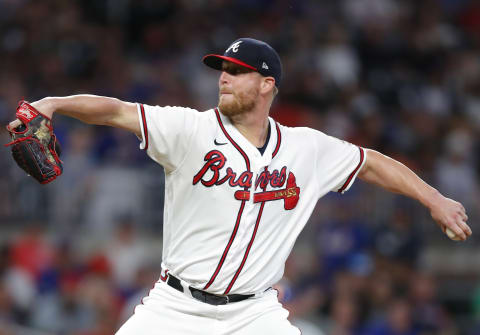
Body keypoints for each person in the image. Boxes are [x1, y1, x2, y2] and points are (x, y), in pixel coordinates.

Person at [7, 38, 471, 334]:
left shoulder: (306, 148)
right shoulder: (188, 129)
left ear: (266, 84)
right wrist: (54, 103)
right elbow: (114, 111)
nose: (223, 78)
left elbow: (371, 163)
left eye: (236, 71)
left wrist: (433, 198)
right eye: (221, 70)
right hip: (175, 308)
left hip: (255, 314)